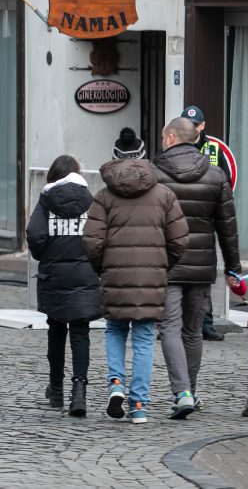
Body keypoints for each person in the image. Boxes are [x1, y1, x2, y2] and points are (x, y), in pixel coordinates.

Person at [84, 157, 188, 424]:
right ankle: (139, 405)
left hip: (115, 274)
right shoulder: (164, 195)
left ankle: (116, 382)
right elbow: (179, 239)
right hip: (152, 276)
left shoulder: (104, 196)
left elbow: (92, 242)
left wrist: (103, 268)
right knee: (143, 339)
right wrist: (162, 265)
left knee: (115, 329)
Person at [152, 116, 242, 418]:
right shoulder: (216, 175)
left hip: (167, 263)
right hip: (202, 265)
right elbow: (227, 227)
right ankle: (189, 390)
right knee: (192, 331)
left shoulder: (155, 173)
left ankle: (183, 393)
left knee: (170, 328)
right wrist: (233, 269)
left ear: (171, 139)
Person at [26, 154, 102, 416]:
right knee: (81, 332)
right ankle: (79, 391)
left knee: (56, 331)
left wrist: (45, 255)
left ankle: (56, 390)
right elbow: (101, 237)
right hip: (85, 275)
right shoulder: (92, 202)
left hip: (55, 276)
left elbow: (35, 235)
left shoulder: (46, 201)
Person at [179, 105, 232, 342]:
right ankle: (174, 325)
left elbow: (225, 185)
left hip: (205, 221)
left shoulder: (214, 149)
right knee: (176, 274)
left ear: (203, 126)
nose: (191, 128)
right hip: (178, 220)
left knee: (203, 275)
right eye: (187, 124)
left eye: (195, 125)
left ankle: (206, 324)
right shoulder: (173, 146)